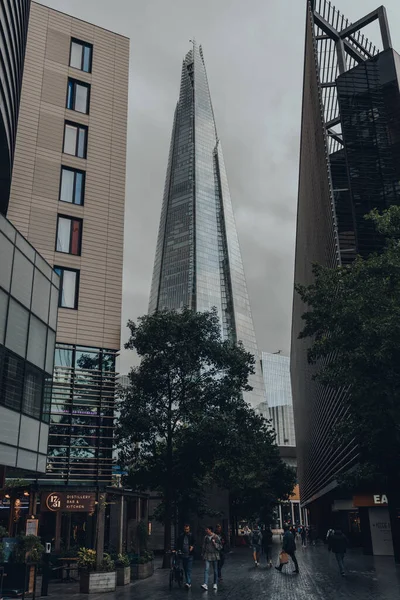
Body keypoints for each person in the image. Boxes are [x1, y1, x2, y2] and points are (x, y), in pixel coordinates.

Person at [201, 526, 221, 591]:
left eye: (207, 529)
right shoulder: (205, 537)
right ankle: (205, 584)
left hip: (214, 554)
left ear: (210, 530)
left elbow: (220, 546)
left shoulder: (216, 537)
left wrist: (215, 543)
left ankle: (215, 583)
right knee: (206, 569)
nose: (206, 530)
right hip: (207, 554)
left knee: (215, 570)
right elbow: (204, 545)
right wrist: (202, 553)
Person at [177, 524, 195, 589]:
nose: (186, 530)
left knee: (188, 569)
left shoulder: (191, 535)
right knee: (185, 568)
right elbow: (178, 544)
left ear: (189, 529)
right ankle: (188, 581)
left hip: (189, 554)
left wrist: (192, 546)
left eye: (187, 529)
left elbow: (194, 542)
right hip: (183, 555)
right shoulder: (181, 536)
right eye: (185, 529)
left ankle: (188, 582)